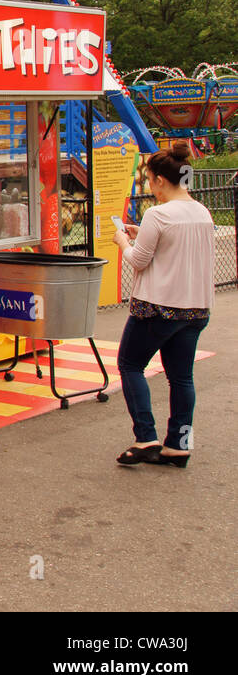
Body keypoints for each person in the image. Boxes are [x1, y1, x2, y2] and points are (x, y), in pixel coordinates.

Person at [111, 143, 213, 468]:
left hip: (157, 307)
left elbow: (139, 260)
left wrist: (124, 241)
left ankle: (146, 437)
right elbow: (175, 247)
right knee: (182, 377)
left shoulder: (159, 213)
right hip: (196, 308)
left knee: (130, 365)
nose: (151, 188)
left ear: (158, 179)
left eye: (150, 181)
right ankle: (179, 446)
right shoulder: (202, 212)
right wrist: (143, 234)